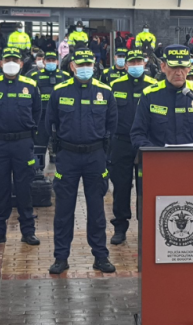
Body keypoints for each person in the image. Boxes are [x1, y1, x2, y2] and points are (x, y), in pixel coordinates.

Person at [45, 48, 117, 275]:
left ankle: (100, 255)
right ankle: (61, 257)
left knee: (97, 210)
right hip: (67, 156)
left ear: (94, 65)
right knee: (64, 210)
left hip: (95, 156)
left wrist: (106, 156)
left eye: (89, 64)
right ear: (72, 66)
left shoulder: (105, 92)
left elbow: (112, 126)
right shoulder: (59, 91)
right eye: (80, 64)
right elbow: (50, 123)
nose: (85, 68)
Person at [0, 48, 42, 248]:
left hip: (23, 143)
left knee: (25, 187)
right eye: (7, 59)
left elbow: (37, 113)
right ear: (0, 62)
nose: (11, 63)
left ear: (22, 64)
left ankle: (28, 231)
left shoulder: (31, 86)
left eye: (15, 60)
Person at [108, 50, 157, 245]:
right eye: (132, 62)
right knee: (121, 186)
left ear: (144, 63)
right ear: (126, 65)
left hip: (146, 143)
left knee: (146, 187)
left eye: (139, 61)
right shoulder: (114, 86)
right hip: (121, 142)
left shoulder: (153, 86)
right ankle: (120, 226)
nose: (136, 65)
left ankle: (146, 226)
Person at [131, 44, 193, 149]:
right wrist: (154, 153)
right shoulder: (149, 94)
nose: (179, 73)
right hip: (159, 161)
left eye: (183, 67)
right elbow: (138, 133)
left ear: (189, 68)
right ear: (163, 67)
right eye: (174, 67)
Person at [29, 51, 71, 171]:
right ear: (44, 62)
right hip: (42, 115)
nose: (51, 63)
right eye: (49, 60)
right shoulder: (34, 76)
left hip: (60, 116)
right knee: (39, 145)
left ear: (57, 62)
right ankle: (38, 170)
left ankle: (62, 168)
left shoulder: (65, 76)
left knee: (60, 144)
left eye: (53, 60)